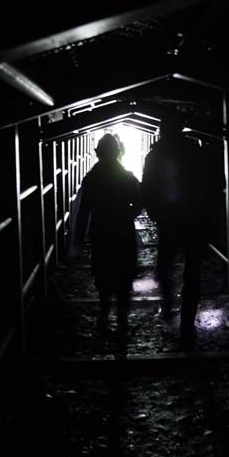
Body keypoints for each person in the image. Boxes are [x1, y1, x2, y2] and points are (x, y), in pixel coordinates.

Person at [141, 118, 214, 350]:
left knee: (165, 264)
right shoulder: (196, 151)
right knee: (192, 271)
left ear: (163, 131)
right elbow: (212, 183)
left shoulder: (155, 155)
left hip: (169, 219)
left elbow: (148, 186)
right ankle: (186, 324)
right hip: (193, 219)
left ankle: (168, 304)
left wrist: (154, 212)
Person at [69, 133, 142, 338]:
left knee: (103, 272)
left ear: (98, 153)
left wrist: (78, 239)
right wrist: (127, 214)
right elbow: (139, 203)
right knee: (124, 274)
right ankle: (122, 319)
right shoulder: (127, 177)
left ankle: (103, 314)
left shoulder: (91, 178)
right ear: (118, 153)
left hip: (100, 231)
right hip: (123, 230)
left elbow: (83, 211)